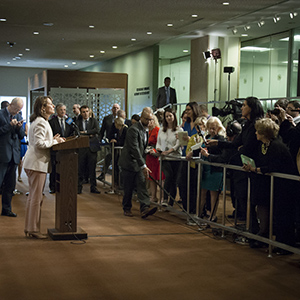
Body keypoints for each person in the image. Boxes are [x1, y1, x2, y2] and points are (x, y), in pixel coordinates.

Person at [206, 96, 264, 232]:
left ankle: (254, 231)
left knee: (250, 201)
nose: (241, 108)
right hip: (242, 167)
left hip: (252, 168)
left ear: (251, 108)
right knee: (241, 199)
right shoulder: (247, 124)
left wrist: (240, 148)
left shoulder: (256, 124)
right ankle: (249, 230)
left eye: (244, 105)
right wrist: (217, 143)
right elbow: (236, 144)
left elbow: (248, 146)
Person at [243, 118, 298, 252]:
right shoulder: (264, 145)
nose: (255, 133)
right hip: (275, 187)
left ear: (264, 133)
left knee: (283, 217)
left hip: (285, 188)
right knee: (276, 216)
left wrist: (255, 169)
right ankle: (276, 243)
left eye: (258, 131)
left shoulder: (276, 146)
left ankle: (284, 247)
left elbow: (273, 166)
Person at [23, 96, 65, 238]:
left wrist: (53, 140)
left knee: (34, 197)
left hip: (35, 162)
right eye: (50, 104)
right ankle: (33, 229)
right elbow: (40, 144)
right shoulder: (41, 122)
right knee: (36, 198)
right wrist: (54, 141)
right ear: (43, 108)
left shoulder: (40, 121)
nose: (53, 106)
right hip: (36, 163)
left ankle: (30, 227)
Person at [118, 107, 157, 218]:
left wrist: (147, 150)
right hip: (128, 163)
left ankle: (145, 208)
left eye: (150, 119)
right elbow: (134, 148)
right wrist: (143, 165)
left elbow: (141, 146)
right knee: (128, 188)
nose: (149, 122)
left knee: (142, 184)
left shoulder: (146, 130)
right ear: (141, 118)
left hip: (138, 163)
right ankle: (127, 208)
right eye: (146, 119)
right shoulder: (133, 129)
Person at [196, 117, 226, 221]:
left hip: (215, 170)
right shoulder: (206, 137)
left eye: (214, 128)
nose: (212, 130)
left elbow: (222, 157)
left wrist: (207, 155)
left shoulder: (221, 140)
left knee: (214, 195)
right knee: (202, 193)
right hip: (205, 169)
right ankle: (199, 214)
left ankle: (213, 216)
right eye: (210, 128)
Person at [0, 98, 25, 217]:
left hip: (14, 155)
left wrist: (20, 127)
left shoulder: (19, 117)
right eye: (16, 109)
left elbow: (21, 136)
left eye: (19, 110)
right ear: (10, 105)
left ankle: (6, 209)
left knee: (10, 186)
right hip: (2, 154)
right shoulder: (0, 114)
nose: (17, 112)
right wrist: (9, 126)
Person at [156, 109, 183, 206]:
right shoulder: (161, 129)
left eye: (170, 116)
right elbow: (158, 142)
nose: (168, 118)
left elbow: (178, 144)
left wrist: (169, 151)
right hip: (164, 158)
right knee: (169, 176)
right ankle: (165, 199)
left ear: (174, 116)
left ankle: (171, 201)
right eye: (167, 116)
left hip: (176, 158)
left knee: (174, 180)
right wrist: (159, 150)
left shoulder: (179, 130)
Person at [48, 103, 73, 193]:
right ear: (57, 111)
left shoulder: (69, 120)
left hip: (67, 149)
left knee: (65, 168)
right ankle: (53, 186)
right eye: (61, 110)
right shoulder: (52, 122)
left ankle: (64, 186)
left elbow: (73, 131)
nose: (63, 112)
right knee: (54, 168)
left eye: (64, 110)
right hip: (56, 148)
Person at [76, 105, 100, 194]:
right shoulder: (78, 121)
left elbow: (97, 130)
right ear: (81, 113)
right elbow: (77, 132)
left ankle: (93, 187)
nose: (85, 114)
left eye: (87, 111)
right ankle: (78, 187)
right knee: (80, 168)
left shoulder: (93, 120)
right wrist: (90, 133)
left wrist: (85, 132)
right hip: (82, 147)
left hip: (92, 148)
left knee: (92, 169)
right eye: (83, 112)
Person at [98, 103, 120, 181]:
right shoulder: (107, 118)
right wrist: (100, 140)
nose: (115, 109)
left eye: (117, 108)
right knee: (109, 156)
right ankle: (103, 173)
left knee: (116, 160)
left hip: (119, 142)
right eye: (114, 108)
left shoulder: (122, 118)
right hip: (109, 141)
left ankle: (117, 179)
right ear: (112, 109)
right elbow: (102, 130)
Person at [146, 115, 164, 203]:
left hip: (156, 156)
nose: (149, 122)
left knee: (160, 178)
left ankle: (162, 198)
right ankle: (153, 196)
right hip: (149, 157)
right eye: (148, 120)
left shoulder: (157, 129)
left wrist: (154, 150)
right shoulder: (147, 131)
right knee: (151, 177)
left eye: (151, 120)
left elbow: (159, 143)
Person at [108, 117, 128, 187]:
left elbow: (124, 141)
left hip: (123, 151)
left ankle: (121, 183)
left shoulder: (125, 130)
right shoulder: (118, 131)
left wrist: (116, 142)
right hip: (118, 151)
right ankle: (117, 182)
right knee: (116, 165)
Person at [18, 113, 28, 182]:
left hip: (21, 141)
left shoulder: (24, 124)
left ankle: (19, 176)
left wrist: (20, 131)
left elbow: (26, 133)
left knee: (20, 160)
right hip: (16, 140)